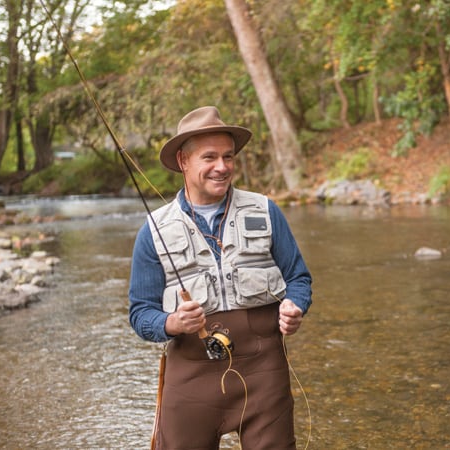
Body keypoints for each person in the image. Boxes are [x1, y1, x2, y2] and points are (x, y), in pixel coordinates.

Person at [128, 106, 312, 450]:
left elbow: (299, 278)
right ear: (183, 160)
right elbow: (140, 314)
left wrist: (294, 306)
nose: (222, 167)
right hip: (191, 377)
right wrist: (172, 322)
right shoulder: (153, 231)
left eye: (228, 156)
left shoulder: (266, 211)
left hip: (265, 371)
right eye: (209, 157)